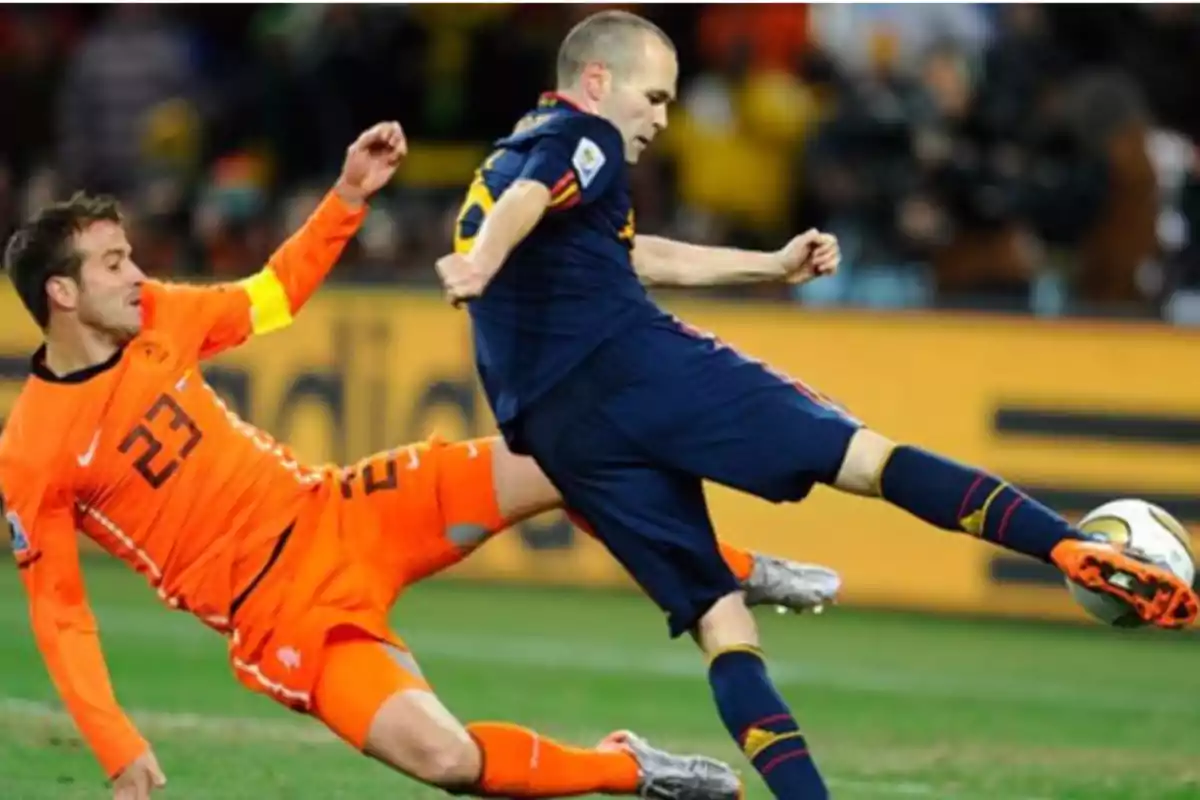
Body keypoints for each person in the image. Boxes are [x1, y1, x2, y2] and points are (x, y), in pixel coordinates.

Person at [434, 10, 1200, 799]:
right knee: (865, 458)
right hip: (632, 365)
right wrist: (481, 264)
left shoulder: (516, 147)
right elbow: (525, 204)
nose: (663, 118)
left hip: (558, 428)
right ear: (598, 82)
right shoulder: (578, 137)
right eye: (654, 96)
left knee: (722, 623)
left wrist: (767, 264)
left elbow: (627, 251)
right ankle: (1072, 549)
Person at [0, 122, 755, 800]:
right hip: (282, 613)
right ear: (61, 293)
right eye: (113, 264)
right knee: (446, 760)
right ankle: (628, 768)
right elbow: (60, 613)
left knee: (565, 453)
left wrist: (347, 196)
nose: (136, 274)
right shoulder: (33, 448)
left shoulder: (159, 315)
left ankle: (728, 571)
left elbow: (273, 296)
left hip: (340, 508)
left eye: (130, 256)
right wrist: (116, 742)